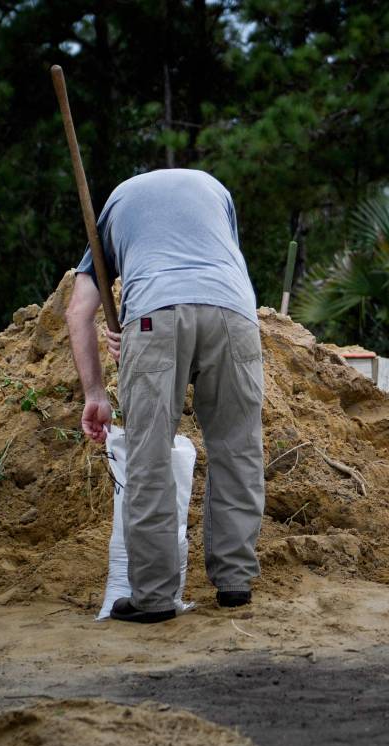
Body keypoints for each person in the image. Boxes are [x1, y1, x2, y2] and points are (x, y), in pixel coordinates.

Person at [65, 168, 264, 624]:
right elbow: (221, 262)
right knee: (238, 448)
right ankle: (235, 580)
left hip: (154, 315)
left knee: (149, 455)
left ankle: (154, 596)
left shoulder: (115, 207)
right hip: (234, 314)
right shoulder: (216, 189)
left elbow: (79, 312)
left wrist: (96, 391)